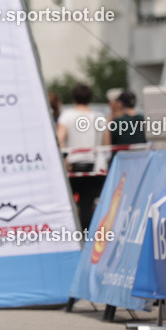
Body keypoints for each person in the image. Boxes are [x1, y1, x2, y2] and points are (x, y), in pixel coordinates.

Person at [56, 84, 102, 230]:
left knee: (66, 203)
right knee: (87, 204)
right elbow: (106, 142)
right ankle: (87, 236)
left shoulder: (67, 116)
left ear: (73, 98)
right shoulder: (98, 116)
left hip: (72, 166)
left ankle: (67, 232)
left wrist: (64, 158)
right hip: (92, 166)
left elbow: (60, 138)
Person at [104, 90, 147, 157]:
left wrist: (108, 125)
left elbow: (106, 146)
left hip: (121, 160)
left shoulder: (118, 122)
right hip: (141, 159)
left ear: (120, 103)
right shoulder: (143, 119)